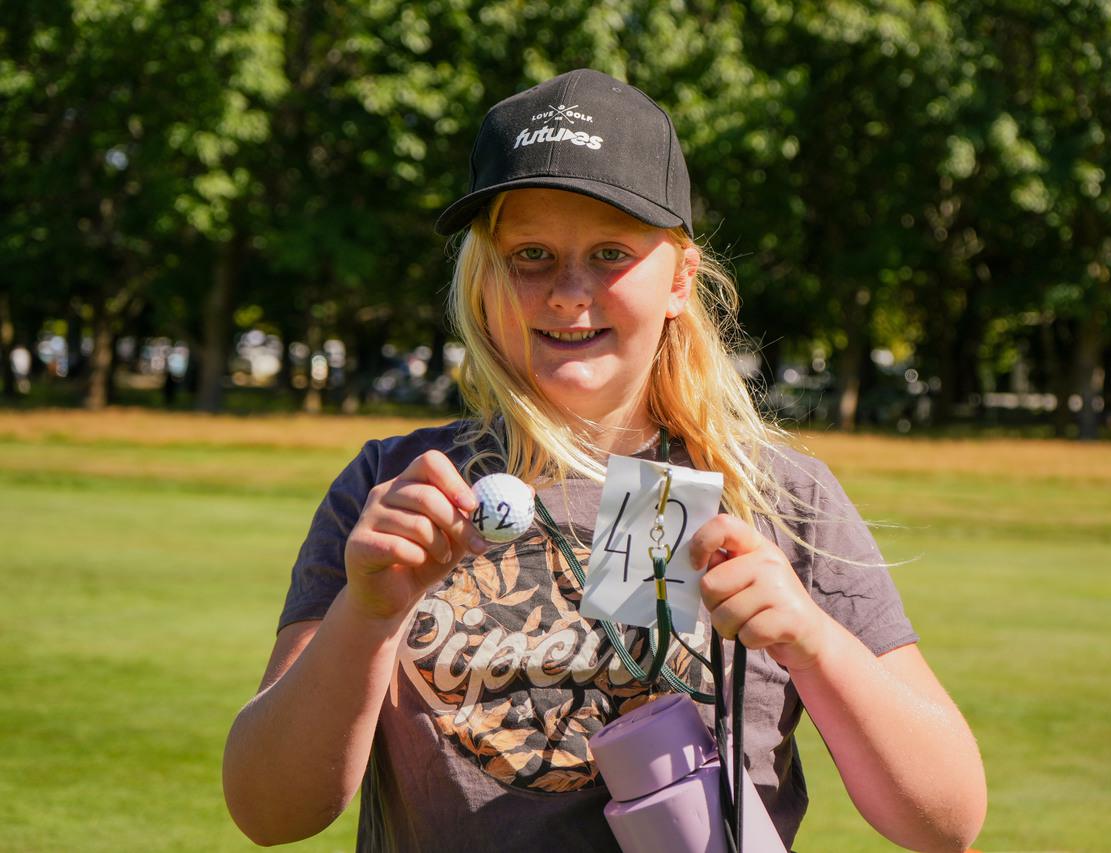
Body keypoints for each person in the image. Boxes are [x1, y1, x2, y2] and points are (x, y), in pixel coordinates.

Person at [222, 68, 986, 852]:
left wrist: (814, 641)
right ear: (484, 279)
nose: (568, 292)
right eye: (532, 255)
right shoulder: (400, 491)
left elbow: (946, 820)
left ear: (681, 279)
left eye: (611, 252)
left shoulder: (775, 494)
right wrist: (367, 614)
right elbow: (270, 811)